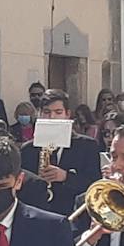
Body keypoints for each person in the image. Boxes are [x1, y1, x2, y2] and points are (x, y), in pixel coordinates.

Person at [20, 88, 102, 218]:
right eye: (47, 112)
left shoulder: (87, 146)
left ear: (67, 114)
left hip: (72, 215)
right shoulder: (28, 149)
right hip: (38, 215)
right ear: (39, 114)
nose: (52, 117)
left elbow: (94, 184)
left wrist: (66, 177)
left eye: (58, 112)